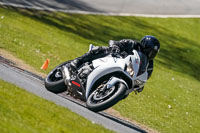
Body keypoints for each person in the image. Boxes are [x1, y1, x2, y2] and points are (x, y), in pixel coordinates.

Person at [69, 35, 160, 92]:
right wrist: (116, 47)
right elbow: (116, 42)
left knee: (126, 92)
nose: (151, 54)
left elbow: (145, 76)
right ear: (144, 45)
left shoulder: (149, 65)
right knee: (101, 50)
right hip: (115, 59)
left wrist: (140, 85)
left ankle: (104, 94)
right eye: (150, 50)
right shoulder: (133, 44)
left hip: (127, 74)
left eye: (154, 52)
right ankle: (78, 61)